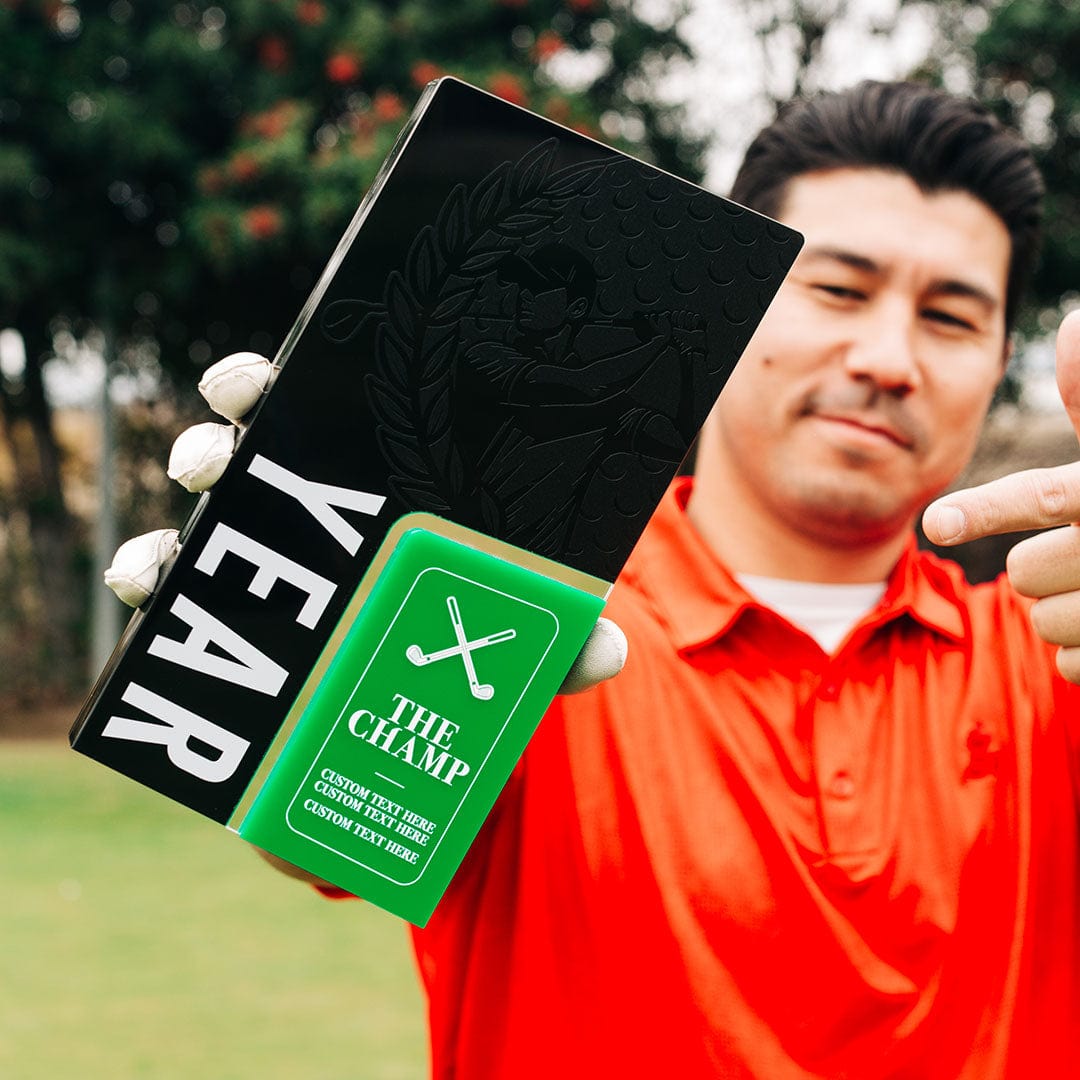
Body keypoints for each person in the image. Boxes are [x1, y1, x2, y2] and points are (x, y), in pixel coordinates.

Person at [108, 80, 1080, 1078]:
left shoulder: (1056, 662)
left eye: (951, 316)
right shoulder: (516, 601)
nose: (888, 359)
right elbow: (323, 826)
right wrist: (284, 645)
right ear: (733, 306)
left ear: (1002, 359)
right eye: (838, 290)